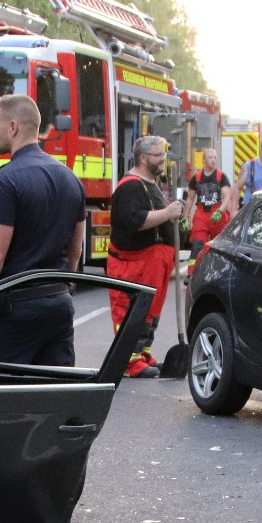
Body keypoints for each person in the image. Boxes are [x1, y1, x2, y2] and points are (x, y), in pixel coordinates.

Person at [0, 94, 85, 365]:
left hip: (16, 307)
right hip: (58, 303)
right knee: (54, 392)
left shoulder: (5, 180)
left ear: (13, 128)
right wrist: (60, 288)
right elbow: (75, 250)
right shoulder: (71, 178)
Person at [106, 135, 188, 378]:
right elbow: (135, 220)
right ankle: (128, 362)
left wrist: (175, 215)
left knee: (150, 312)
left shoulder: (150, 184)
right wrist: (167, 212)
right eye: (157, 155)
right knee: (132, 312)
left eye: (163, 154)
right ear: (142, 158)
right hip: (134, 264)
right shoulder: (130, 186)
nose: (163, 159)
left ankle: (142, 354)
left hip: (153, 263)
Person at [186, 146, 231, 272]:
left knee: (220, 246)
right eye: (210, 157)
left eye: (215, 157)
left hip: (217, 212)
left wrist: (220, 211)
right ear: (204, 160)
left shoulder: (221, 176)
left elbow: (227, 196)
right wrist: (185, 217)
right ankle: (191, 274)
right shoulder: (197, 178)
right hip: (201, 214)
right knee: (196, 246)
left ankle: (222, 270)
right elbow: (190, 198)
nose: (213, 160)